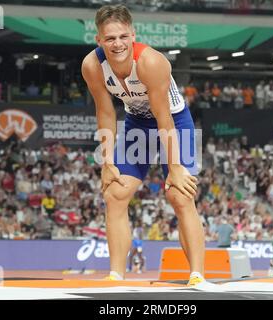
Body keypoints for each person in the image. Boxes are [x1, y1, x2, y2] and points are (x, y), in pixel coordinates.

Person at [81, 4, 206, 286]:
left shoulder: (152, 62)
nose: (117, 44)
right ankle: (116, 275)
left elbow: (164, 119)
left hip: (175, 122)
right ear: (98, 39)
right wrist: (107, 161)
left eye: (123, 36)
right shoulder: (92, 66)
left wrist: (174, 168)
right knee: (114, 194)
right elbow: (105, 112)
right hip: (136, 122)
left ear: (133, 35)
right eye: (110, 38)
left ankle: (197, 275)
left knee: (180, 195)